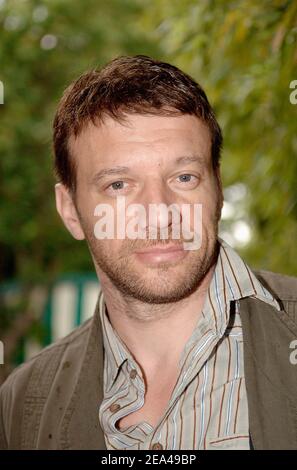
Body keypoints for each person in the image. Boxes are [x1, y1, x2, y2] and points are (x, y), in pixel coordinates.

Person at [1, 55, 297, 451]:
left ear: (218, 190)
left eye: (184, 177)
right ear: (70, 210)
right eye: (119, 185)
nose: (159, 213)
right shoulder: (20, 405)